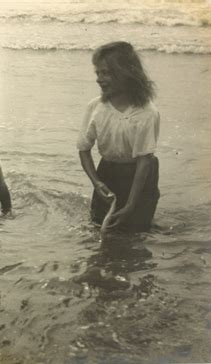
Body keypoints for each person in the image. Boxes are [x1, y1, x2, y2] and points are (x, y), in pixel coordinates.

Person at [77, 41, 160, 232]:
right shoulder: (95, 107)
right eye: (97, 73)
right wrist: (96, 182)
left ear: (125, 74)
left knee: (137, 229)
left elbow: (144, 162)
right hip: (108, 172)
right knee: (101, 226)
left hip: (141, 174)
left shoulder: (146, 112)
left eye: (105, 73)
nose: (99, 79)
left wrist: (131, 206)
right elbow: (83, 149)